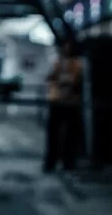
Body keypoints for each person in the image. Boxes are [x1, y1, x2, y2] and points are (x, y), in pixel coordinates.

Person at [43, 37, 84, 172]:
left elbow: (73, 80)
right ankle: (52, 161)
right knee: (54, 133)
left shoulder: (76, 63)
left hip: (70, 102)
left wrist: (62, 81)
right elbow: (50, 78)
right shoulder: (56, 61)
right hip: (57, 101)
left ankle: (67, 161)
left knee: (70, 135)